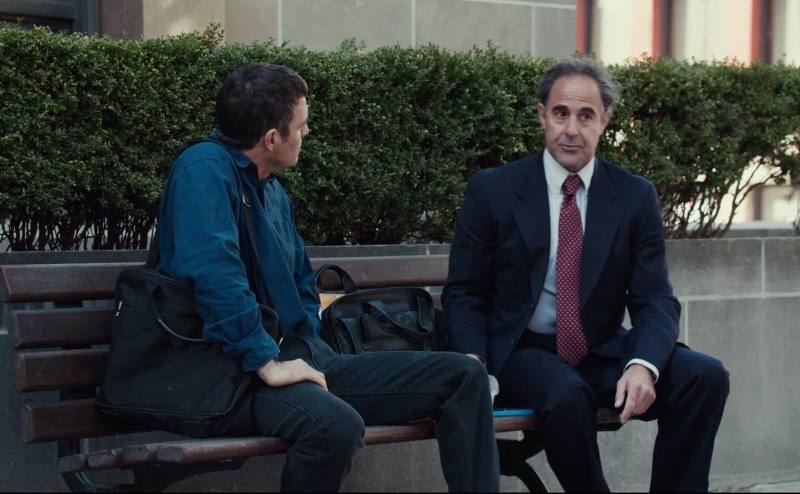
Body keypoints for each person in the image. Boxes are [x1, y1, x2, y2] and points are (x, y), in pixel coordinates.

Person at [156, 63, 500, 493]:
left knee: (464, 376)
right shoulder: (203, 171)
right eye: (301, 124)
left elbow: (302, 280)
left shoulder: (271, 189)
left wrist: (304, 345)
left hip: (299, 362)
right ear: (271, 138)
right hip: (227, 377)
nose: (307, 132)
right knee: (333, 427)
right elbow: (213, 275)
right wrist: (267, 362)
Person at [442, 57, 730, 492]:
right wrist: (473, 364)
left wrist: (644, 364)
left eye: (586, 115)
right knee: (566, 395)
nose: (571, 129)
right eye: (560, 114)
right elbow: (465, 291)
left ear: (605, 120)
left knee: (704, 376)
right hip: (522, 353)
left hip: (599, 349)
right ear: (542, 115)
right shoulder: (494, 189)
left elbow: (654, 298)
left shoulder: (633, 196)